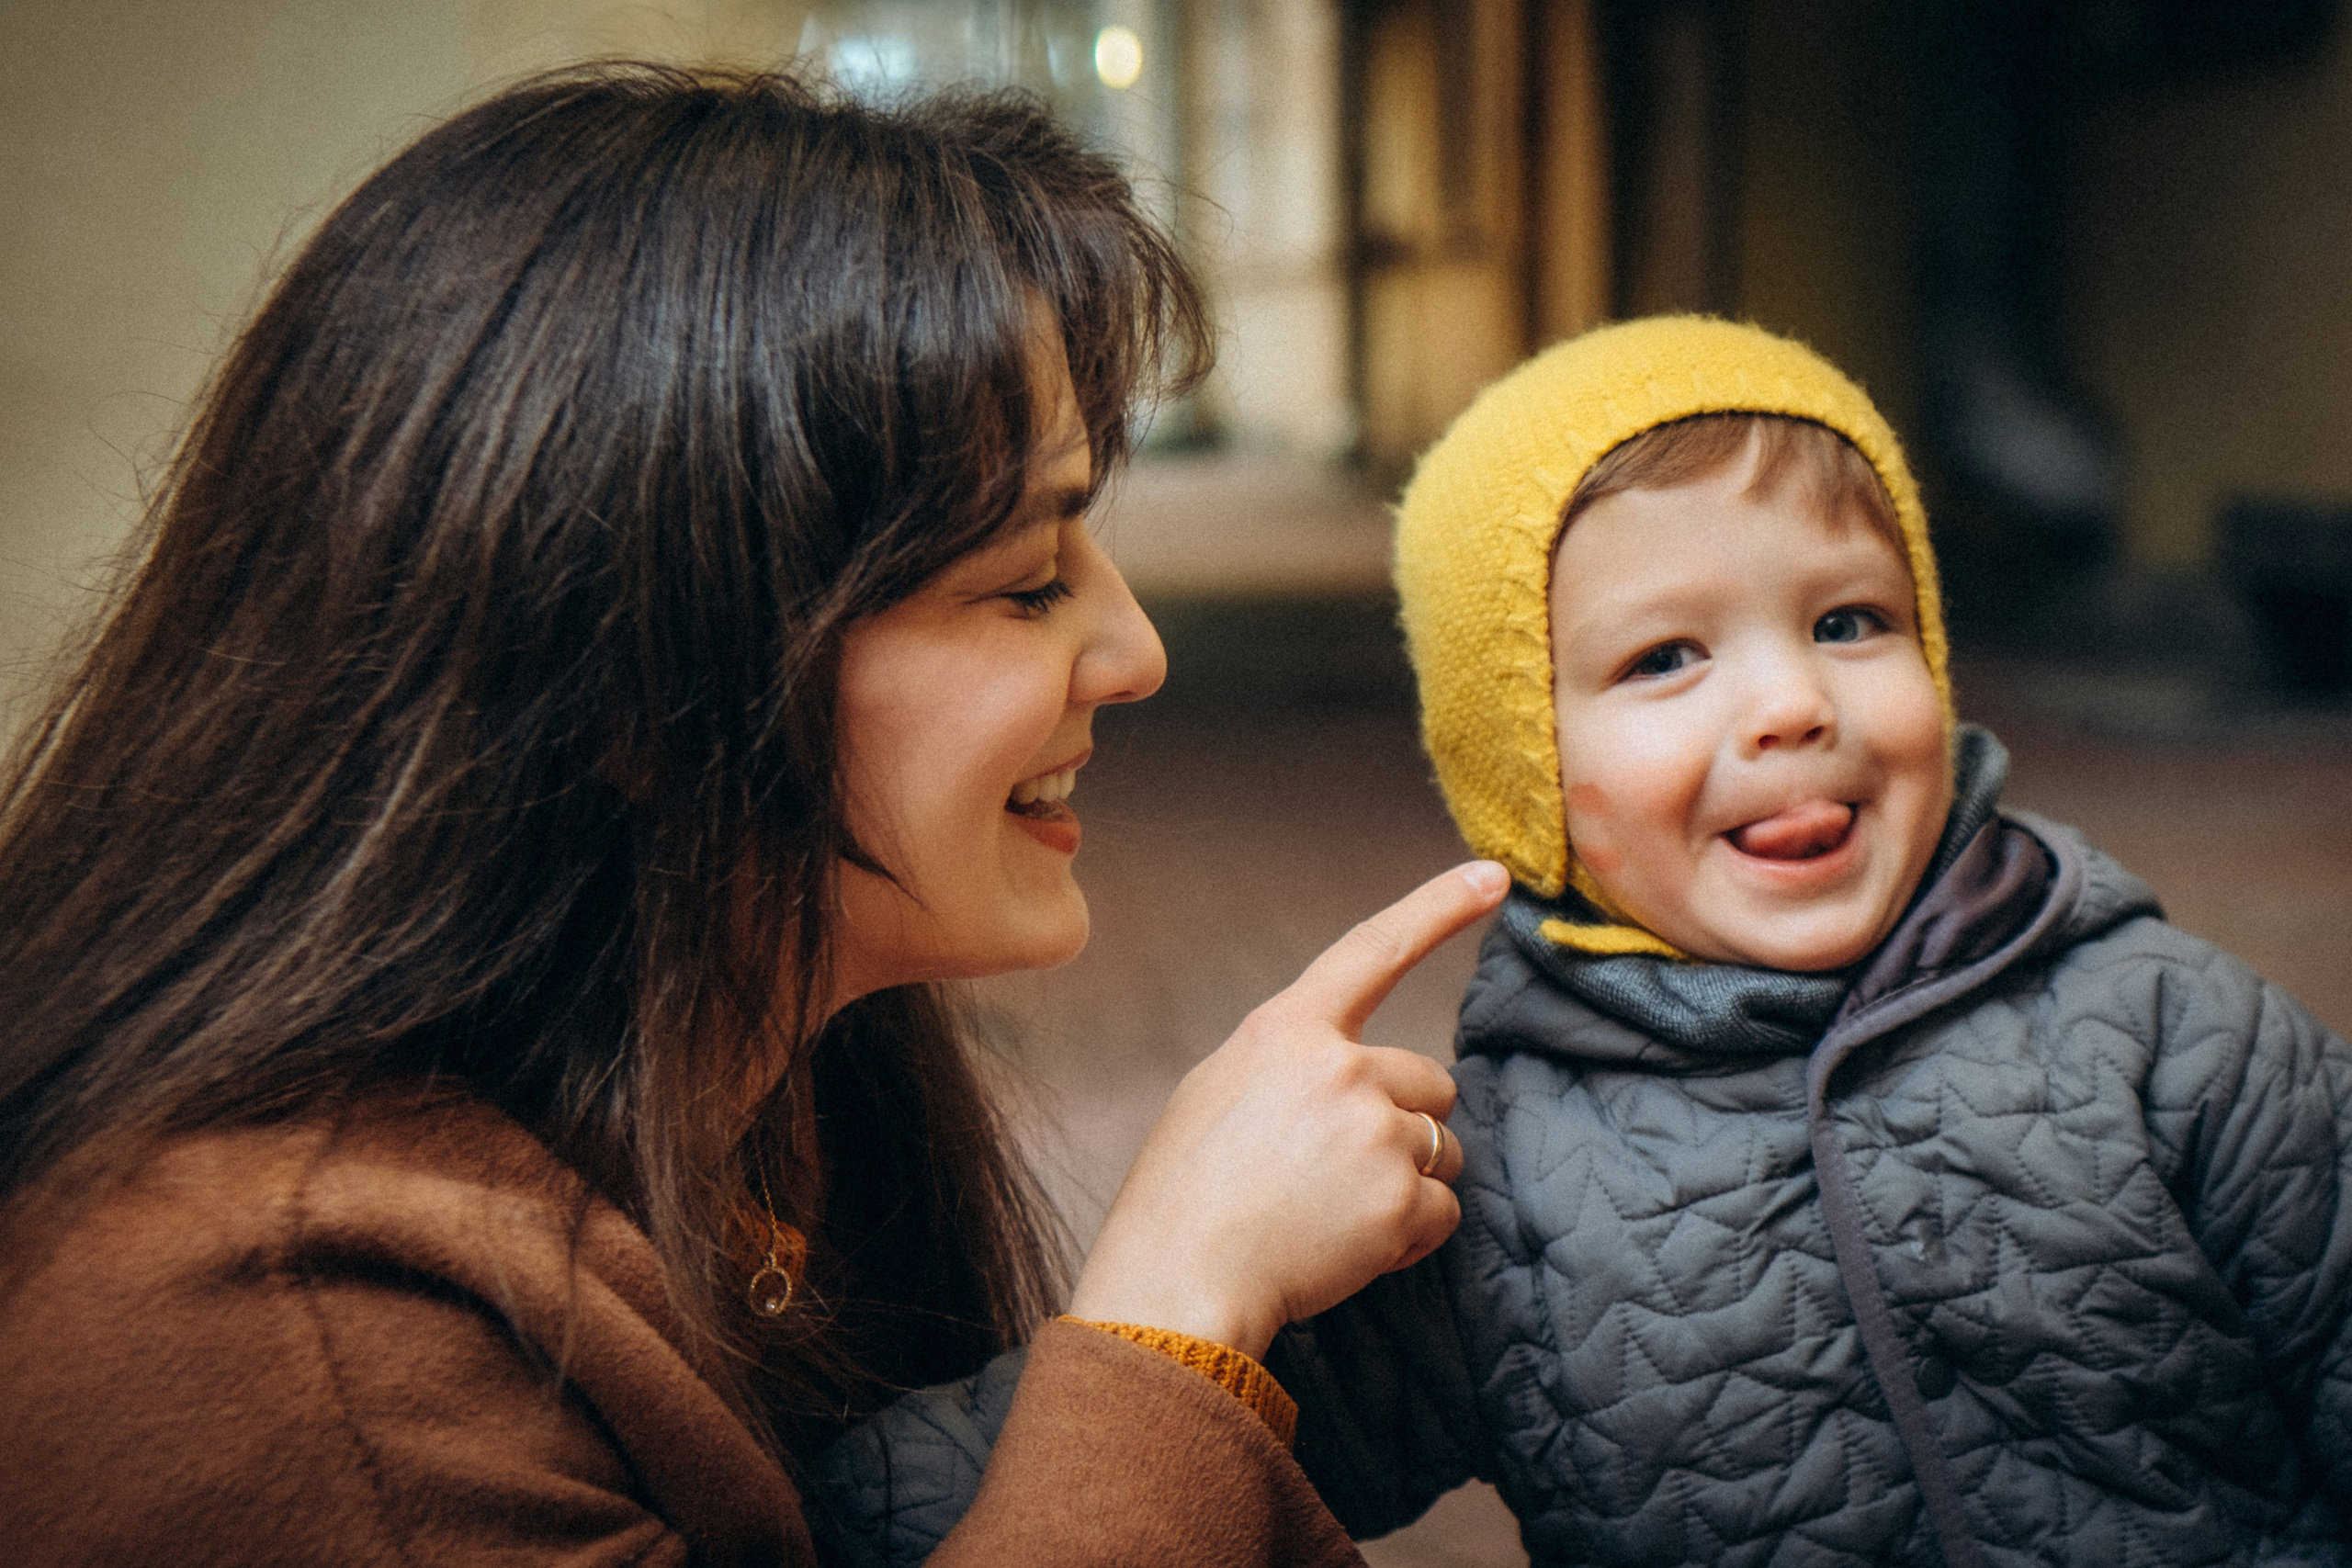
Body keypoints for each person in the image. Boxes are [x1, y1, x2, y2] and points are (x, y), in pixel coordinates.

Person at [0, 64, 1508, 1565]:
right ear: (638, 688)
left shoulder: (752, 1061)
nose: (1135, 656)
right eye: (1024, 580)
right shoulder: (286, 1345)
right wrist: (1179, 1301)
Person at [820, 316, 2352, 1567]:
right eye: (1667, 656)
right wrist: (749, 1507)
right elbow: (1139, 1436)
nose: (1790, 704)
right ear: (1529, 775)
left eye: (1849, 622)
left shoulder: (2178, 1035)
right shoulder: (1492, 1189)